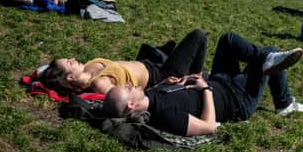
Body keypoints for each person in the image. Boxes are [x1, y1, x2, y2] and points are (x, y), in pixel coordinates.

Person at [104, 33, 303, 136]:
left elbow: (176, 92)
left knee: (228, 39)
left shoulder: (151, 95)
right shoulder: (165, 115)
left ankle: (267, 63)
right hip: (236, 101)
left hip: (220, 81)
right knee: (269, 52)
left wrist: (177, 81)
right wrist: (205, 89)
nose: (131, 84)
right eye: (128, 88)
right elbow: (209, 126)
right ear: (131, 105)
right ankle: (283, 102)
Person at [40, 29, 208, 95]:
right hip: (160, 76)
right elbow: (129, 99)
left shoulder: (88, 65)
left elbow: (43, 71)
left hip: (149, 63)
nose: (72, 59)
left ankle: (170, 56)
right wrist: (159, 86)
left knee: (157, 48)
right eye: (69, 63)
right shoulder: (100, 83)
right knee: (198, 36)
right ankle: (196, 76)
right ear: (69, 77)